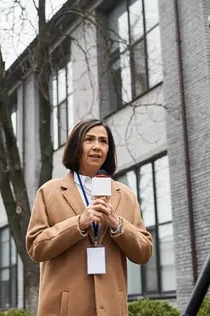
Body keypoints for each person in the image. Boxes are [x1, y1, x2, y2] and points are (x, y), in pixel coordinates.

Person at [26, 119, 153, 316]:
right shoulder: (50, 192)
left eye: (103, 141)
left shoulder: (125, 195)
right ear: (76, 146)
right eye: (89, 139)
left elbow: (144, 252)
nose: (97, 147)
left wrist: (118, 225)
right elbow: (36, 247)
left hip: (112, 309)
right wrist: (78, 223)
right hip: (64, 310)